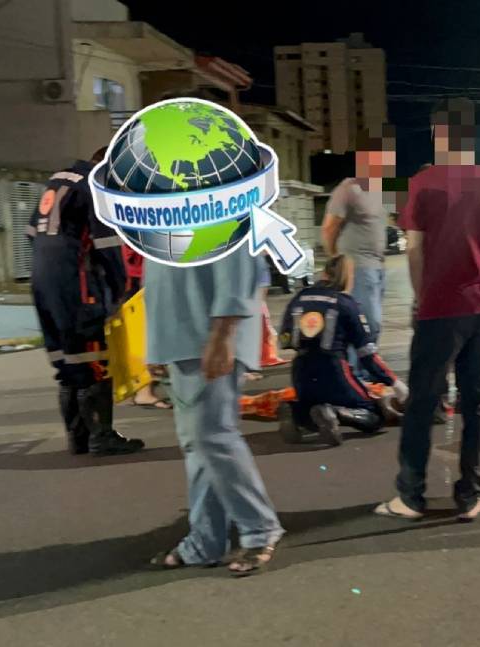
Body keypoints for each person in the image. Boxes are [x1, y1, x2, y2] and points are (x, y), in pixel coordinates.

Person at [144, 90, 283, 576]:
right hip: (179, 333)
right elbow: (159, 271)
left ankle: (260, 529)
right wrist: (153, 343)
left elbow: (241, 265)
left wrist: (224, 334)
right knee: (197, 444)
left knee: (214, 437)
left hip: (210, 332)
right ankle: (205, 540)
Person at [375, 98, 480, 522]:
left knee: (423, 401)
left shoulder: (422, 185)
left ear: (440, 135)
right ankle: (470, 496)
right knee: (477, 403)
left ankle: (411, 496)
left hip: (440, 309)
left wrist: (423, 297)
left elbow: (414, 251)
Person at [29, 147, 145, 456]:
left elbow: (31, 232)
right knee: (92, 356)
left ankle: (78, 437)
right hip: (74, 279)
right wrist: (123, 288)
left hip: (42, 279)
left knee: (67, 360)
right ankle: (101, 436)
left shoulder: (59, 180)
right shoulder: (97, 184)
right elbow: (107, 245)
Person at [276, 255, 407, 446]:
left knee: (313, 411)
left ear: (324, 273)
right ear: (348, 277)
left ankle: (296, 412)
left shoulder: (299, 298)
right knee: (374, 416)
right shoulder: (346, 303)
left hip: (301, 372)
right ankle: (336, 412)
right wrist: (395, 383)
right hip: (334, 371)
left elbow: (284, 340)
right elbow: (367, 355)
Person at [322, 124, 394, 379]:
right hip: (357, 268)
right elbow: (329, 227)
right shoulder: (349, 188)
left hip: (378, 268)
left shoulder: (383, 189)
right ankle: (352, 376)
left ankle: (362, 375)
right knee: (365, 323)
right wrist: (336, 261)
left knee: (372, 325)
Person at [120, 244, 172, 410]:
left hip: (136, 269)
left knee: (140, 330)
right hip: (138, 271)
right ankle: (143, 391)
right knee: (144, 330)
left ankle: (139, 389)